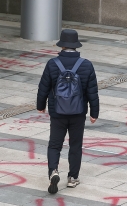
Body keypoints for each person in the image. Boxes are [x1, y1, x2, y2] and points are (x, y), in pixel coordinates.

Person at [37, 29, 99, 194]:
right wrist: (94, 113)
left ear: (62, 46)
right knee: (75, 145)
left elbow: (43, 87)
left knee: (55, 144)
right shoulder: (86, 65)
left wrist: (40, 105)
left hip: (57, 111)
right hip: (78, 113)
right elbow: (92, 91)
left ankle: (53, 172)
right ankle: (72, 178)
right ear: (76, 46)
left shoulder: (52, 64)